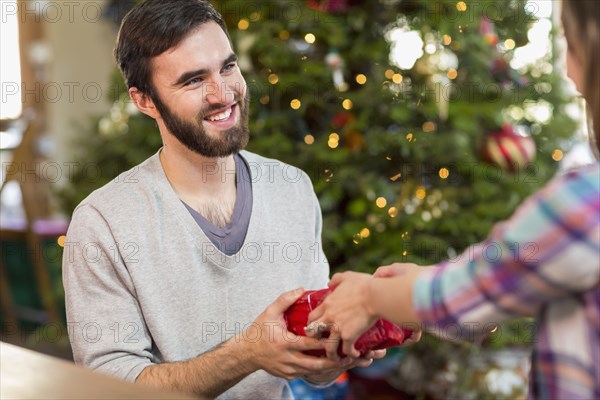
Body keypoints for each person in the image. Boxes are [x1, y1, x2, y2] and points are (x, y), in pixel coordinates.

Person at [62, 0, 382, 398]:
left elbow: (315, 367)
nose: (223, 93)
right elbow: (108, 389)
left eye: (227, 67)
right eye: (193, 81)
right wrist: (247, 354)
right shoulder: (103, 223)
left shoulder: (291, 188)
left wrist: (339, 349)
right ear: (144, 100)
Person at [307, 1, 600, 399]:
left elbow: (471, 289)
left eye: (572, 44)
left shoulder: (586, 202)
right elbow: (507, 287)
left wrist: (369, 296)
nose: (567, 67)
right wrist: (415, 289)